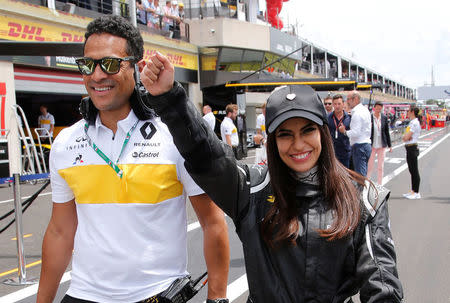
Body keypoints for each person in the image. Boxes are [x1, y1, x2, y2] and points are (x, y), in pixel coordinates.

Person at [139, 61, 404, 302]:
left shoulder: (364, 198)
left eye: (308, 130)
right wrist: (170, 98)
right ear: (273, 140)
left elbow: (383, 289)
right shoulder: (251, 190)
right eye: (285, 134)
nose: (298, 144)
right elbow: (207, 156)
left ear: (323, 132)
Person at [37, 15, 230, 303]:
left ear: (137, 68)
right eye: (88, 65)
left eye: (111, 64)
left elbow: (213, 222)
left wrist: (217, 298)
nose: (97, 75)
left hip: (155, 295)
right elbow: (60, 232)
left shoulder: (173, 135)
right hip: (83, 295)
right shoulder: (66, 142)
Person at [339, 91, 372, 176]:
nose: (347, 102)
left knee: (360, 175)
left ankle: (361, 189)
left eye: (348, 99)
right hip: (365, 144)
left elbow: (355, 132)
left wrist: (344, 132)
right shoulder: (365, 110)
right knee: (361, 173)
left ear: (356, 99)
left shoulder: (357, 113)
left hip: (359, 146)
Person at [367, 101, 392, 185]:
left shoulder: (384, 118)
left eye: (380, 109)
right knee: (370, 166)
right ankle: (367, 183)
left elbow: (386, 132)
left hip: (382, 144)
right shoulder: (370, 117)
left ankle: (380, 184)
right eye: (377, 108)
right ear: (374, 108)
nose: (378, 110)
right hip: (372, 145)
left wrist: (390, 145)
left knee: (380, 166)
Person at [402, 106, 421, 200]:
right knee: (411, 170)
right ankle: (413, 190)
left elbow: (406, 137)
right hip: (409, 147)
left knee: (414, 170)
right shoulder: (411, 122)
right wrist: (405, 137)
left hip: (412, 147)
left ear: (412, 112)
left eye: (408, 111)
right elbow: (405, 136)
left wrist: (406, 137)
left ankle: (416, 191)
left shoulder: (415, 123)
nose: (407, 112)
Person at [327, 94, 351, 168]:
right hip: (332, 152)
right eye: (335, 104)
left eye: (339, 104)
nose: (337, 106)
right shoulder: (328, 118)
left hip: (345, 152)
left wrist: (344, 131)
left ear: (343, 104)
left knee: (346, 174)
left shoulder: (349, 118)